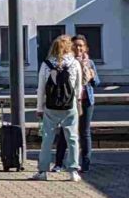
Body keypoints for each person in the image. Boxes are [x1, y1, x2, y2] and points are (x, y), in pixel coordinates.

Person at [32, 34, 83, 182]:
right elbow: (78, 88)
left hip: (51, 106)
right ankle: (73, 171)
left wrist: (39, 107)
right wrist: (77, 102)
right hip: (69, 105)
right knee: (72, 138)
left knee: (47, 138)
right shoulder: (74, 64)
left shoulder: (46, 64)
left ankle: (42, 171)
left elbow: (41, 88)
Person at [54, 35, 100, 173]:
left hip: (86, 101)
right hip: (70, 101)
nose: (78, 48)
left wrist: (92, 77)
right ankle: (58, 163)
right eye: (75, 45)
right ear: (71, 47)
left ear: (85, 48)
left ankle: (85, 164)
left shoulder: (90, 63)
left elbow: (97, 82)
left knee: (84, 132)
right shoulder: (68, 62)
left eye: (81, 45)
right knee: (64, 131)